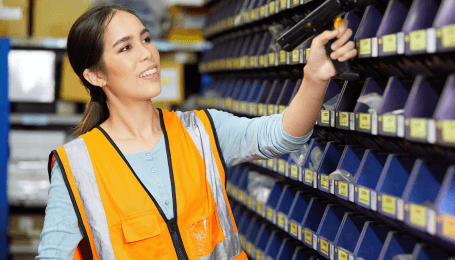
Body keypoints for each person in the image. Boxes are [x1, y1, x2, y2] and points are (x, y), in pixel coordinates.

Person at [37, 4, 357, 260]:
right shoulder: (77, 164)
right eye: (125, 48)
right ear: (95, 76)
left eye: (146, 39)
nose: (147, 53)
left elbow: (283, 135)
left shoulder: (201, 130)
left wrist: (314, 77)